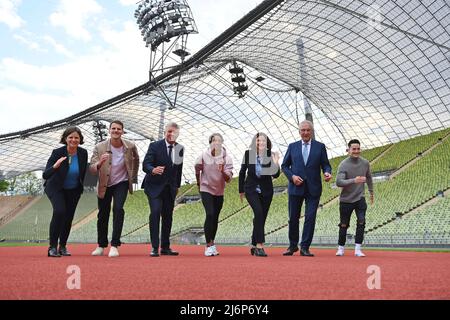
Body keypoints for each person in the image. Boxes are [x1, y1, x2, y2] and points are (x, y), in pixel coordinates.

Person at [281, 120, 332, 257]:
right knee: (293, 218)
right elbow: (284, 166)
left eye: (308, 130)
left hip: (313, 188)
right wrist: (292, 177)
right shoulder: (292, 147)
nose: (305, 132)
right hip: (295, 187)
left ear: (312, 131)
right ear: (299, 132)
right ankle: (292, 246)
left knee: (310, 217)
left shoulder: (320, 147)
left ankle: (305, 247)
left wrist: (327, 172)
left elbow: (326, 164)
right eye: (302, 130)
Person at [90, 120, 140, 258]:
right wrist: (100, 163)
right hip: (105, 184)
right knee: (103, 214)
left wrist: (132, 177)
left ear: (122, 131)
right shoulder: (100, 147)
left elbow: (136, 160)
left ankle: (114, 245)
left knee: (118, 209)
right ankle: (101, 245)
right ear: (109, 130)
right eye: (113, 128)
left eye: (119, 129)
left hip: (122, 182)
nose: (116, 131)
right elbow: (92, 168)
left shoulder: (130, 146)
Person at [43, 126, 88, 257]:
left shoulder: (83, 153)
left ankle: (62, 246)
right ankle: (52, 247)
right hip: (56, 188)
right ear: (65, 139)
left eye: (76, 137)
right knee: (59, 211)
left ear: (80, 140)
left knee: (68, 217)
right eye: (71, 137)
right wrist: (55, 166)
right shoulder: (57, 152)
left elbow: (84, 172)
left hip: (73, 190)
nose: (73, 140)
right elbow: (46, 175)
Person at [142, 122, 184, 257]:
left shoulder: (179, 149)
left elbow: (178, 169)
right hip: (154, 186)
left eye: (174, 132)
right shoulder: (155, 146)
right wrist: (152, 169)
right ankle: (154, 247)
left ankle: (165, 247)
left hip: (170, 188)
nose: (171, 134)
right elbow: (145, 164)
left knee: (168, 216)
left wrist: (177, 186)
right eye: (169, 131)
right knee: (155, 212)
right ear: (165, 132)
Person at [239, 133, 280, 257]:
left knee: (261, 217)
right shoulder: (248, 154)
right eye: (258, 141)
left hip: (266, 190)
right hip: (251, 189)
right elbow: (242, 172)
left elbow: (276, 175)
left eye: (263, 141)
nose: (260, 143)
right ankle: (260, 245)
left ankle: (253, 243)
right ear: (254, 142)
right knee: (258, 212)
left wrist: (276, 162)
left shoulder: (270, 155)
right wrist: (241, 190)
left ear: (267, 143)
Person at [195, 133, 233, 257]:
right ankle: (208, 245)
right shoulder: (203, 155)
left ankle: (212, 242)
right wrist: (198, 182)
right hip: (206, 188)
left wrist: (222, 171)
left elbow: (228, 179)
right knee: (210, 213)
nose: (216, 142)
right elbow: (197, 168)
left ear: (222, 143)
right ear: (210, 143)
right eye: (214, 140)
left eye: (219, 141)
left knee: (215, 217)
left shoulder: (227, 158)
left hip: (219, 190)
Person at [335, 139, 374, 257]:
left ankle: (358, 249)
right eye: (354, 149)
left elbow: (369, 178)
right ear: (348, 150)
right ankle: (341, 248)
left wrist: (371, 192)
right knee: (344, 224)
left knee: (361, 221)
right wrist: (354, 180)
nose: (356, 151)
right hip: (346, 199)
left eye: (358, 149)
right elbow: (338, 182)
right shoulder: (343, 164)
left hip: (360, 197)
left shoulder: (365, 163)